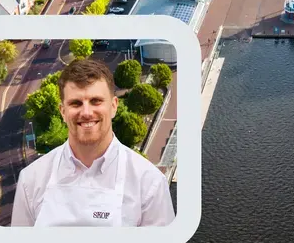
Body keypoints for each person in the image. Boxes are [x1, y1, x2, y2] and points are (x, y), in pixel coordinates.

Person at [12, 58, 175, 228]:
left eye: (96, 101)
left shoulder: (150, 183)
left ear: (114, 106)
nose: (87, 112)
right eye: (76, 103)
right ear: (63, 112)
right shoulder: (31, 179)